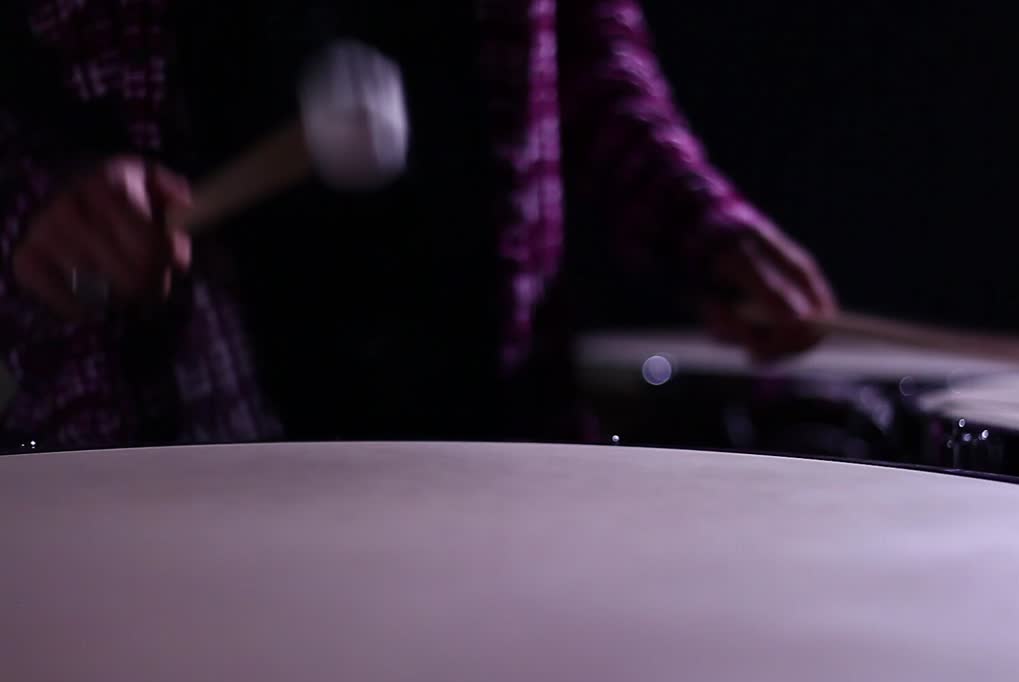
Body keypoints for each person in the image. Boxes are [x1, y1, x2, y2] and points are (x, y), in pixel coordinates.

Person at [0, 0, 837, 451]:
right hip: (165, 421)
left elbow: (587, 48)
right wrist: (41, 196)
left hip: (488, 403)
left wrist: (700, 224)